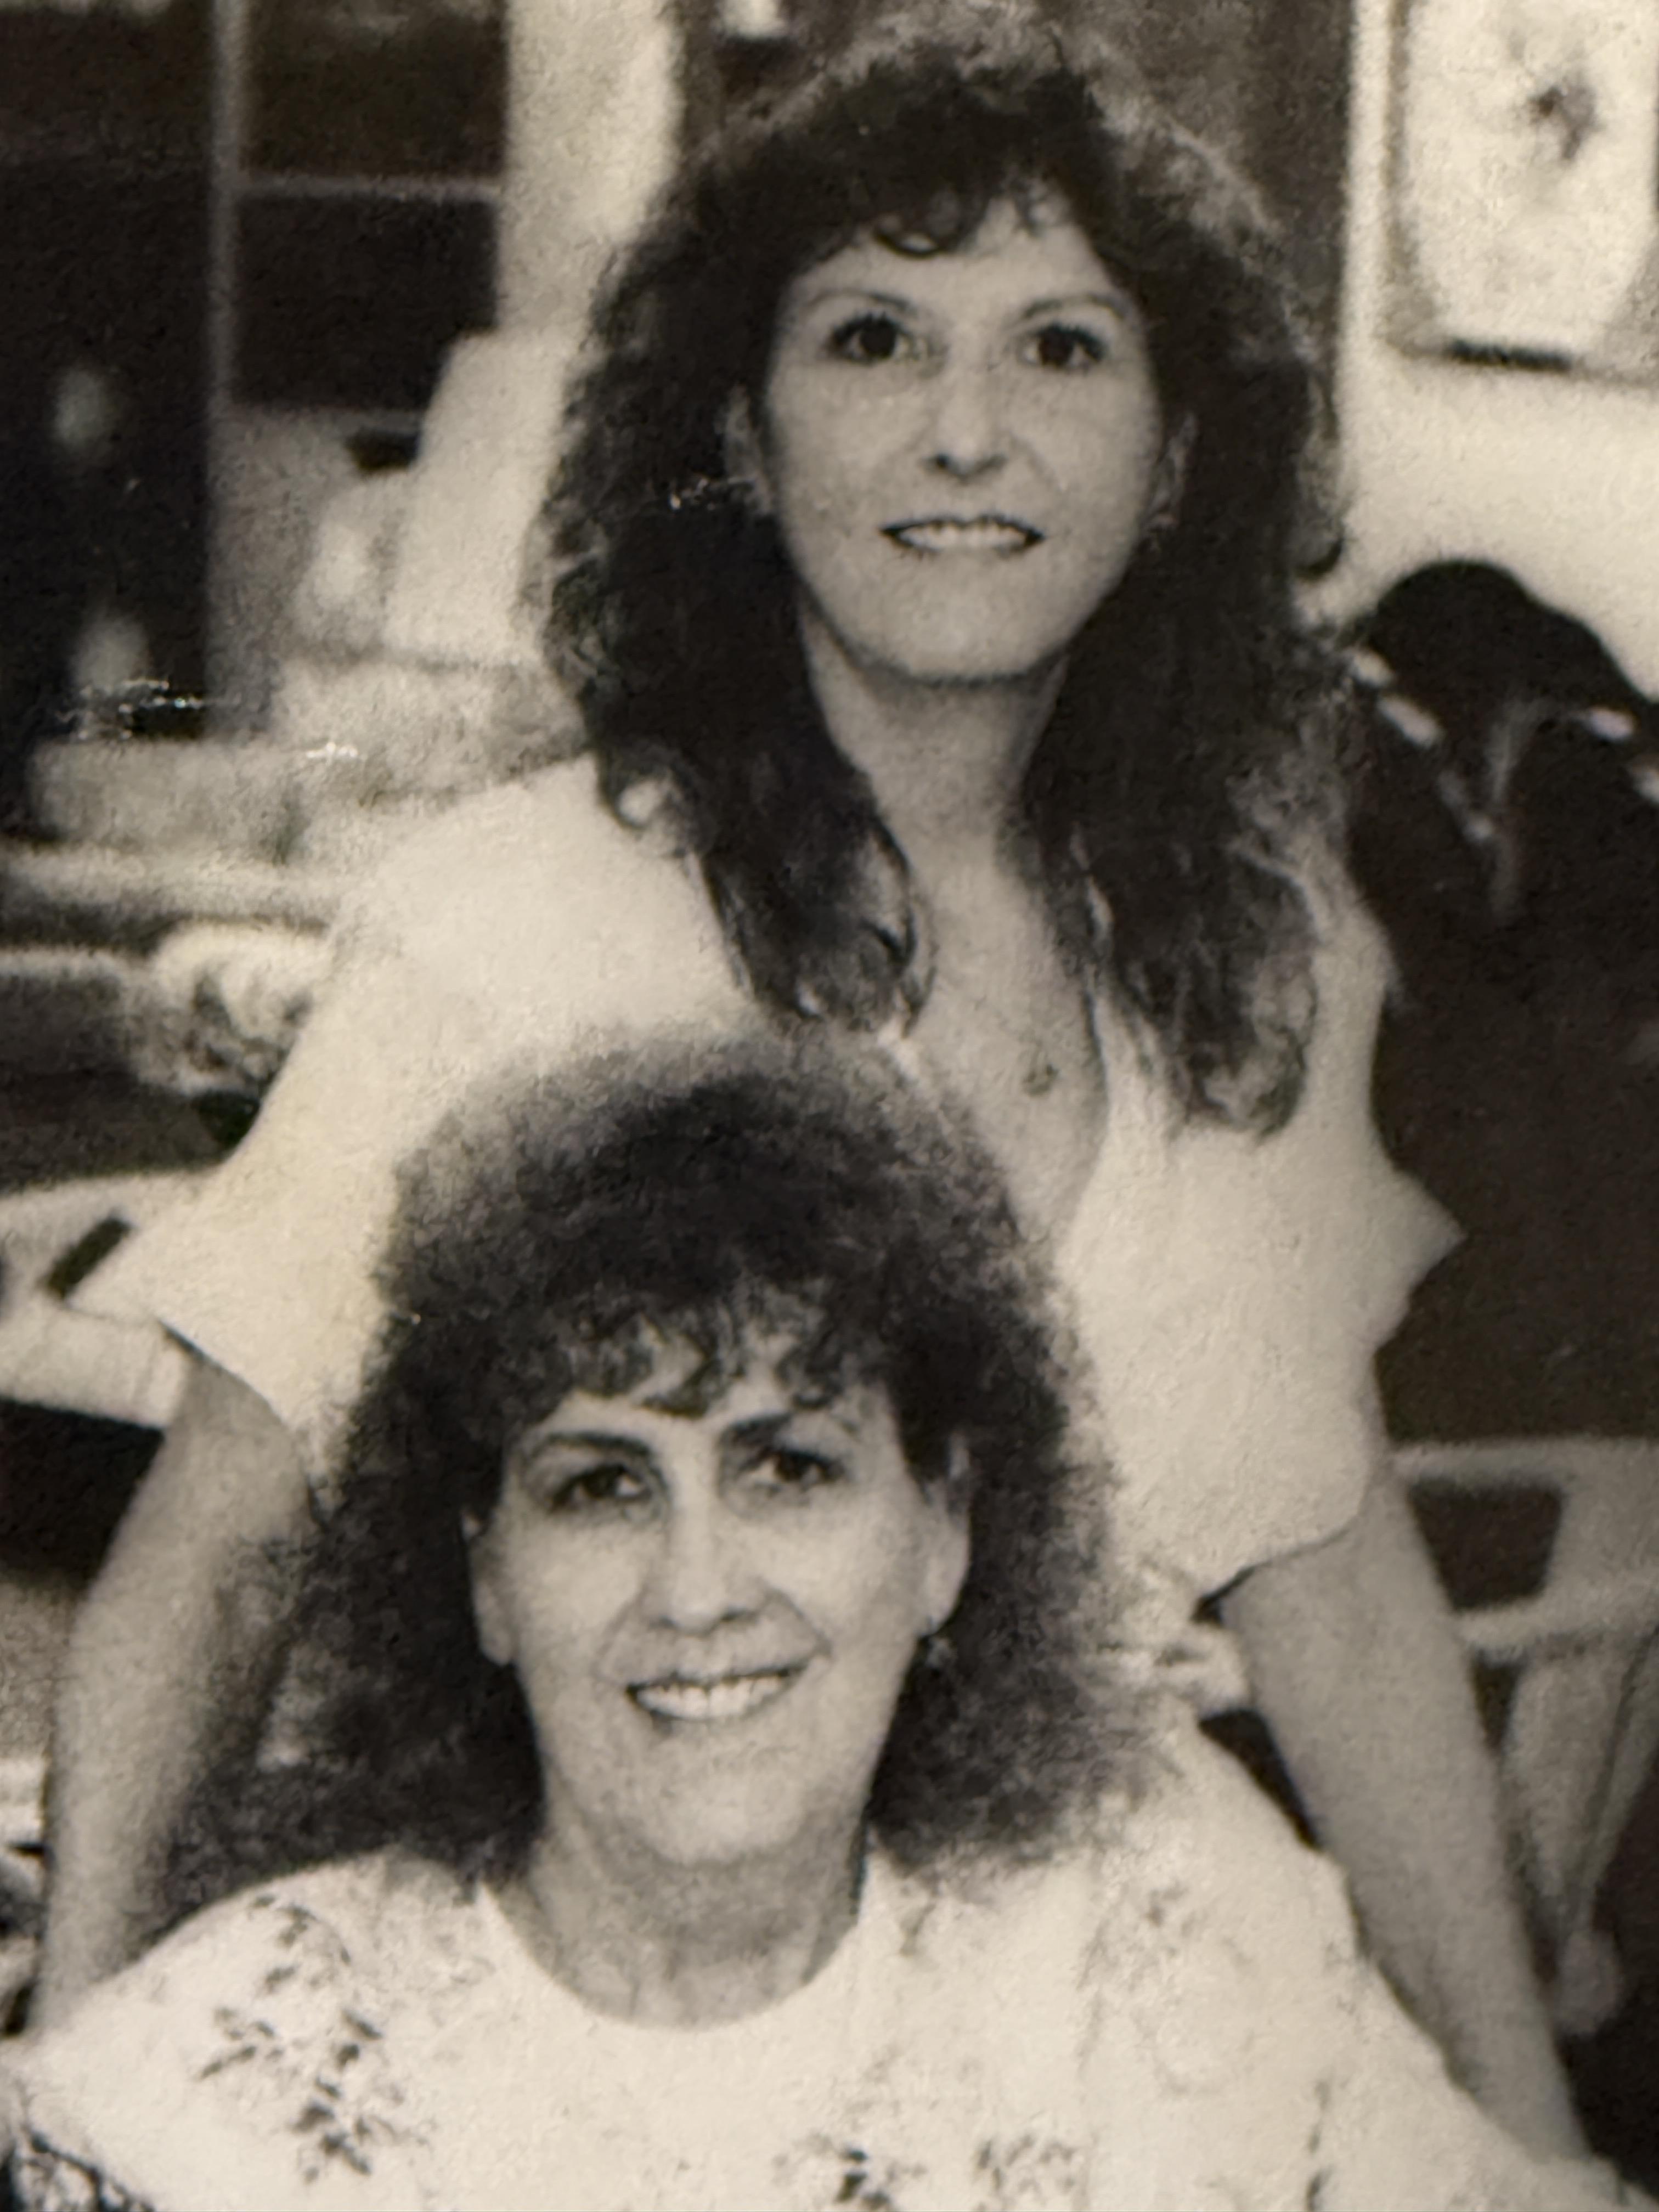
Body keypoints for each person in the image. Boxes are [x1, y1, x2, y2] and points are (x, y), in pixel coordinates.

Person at [41, 1, 1580, 2155]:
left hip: (1091, 2044)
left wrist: (1544, 2141)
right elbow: (206, 1573)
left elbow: (1332, 1596)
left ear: (1175, 464)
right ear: (744, 443)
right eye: (872, 340)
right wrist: (89, 2111)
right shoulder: (515, 921)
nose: (967, 432)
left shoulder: (1247, 966)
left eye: (1061, 348)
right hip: (601, 2029)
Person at [3, 1061, 1635, 2210]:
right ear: (484, 1580)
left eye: (789, 1469)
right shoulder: (213, 2109)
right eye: (599, 1488)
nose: (700, 1586)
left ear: (944, 1535)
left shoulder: (1158, 1944)